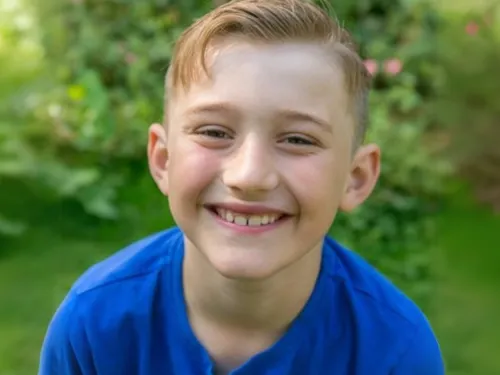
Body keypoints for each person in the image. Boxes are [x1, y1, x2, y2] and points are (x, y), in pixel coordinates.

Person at [38, 0, 445, 374]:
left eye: (298, 139)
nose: (249, 176)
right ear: (163, 160)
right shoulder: (92, 325)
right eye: (214, 131)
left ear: (355, 179)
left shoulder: (396, 352)